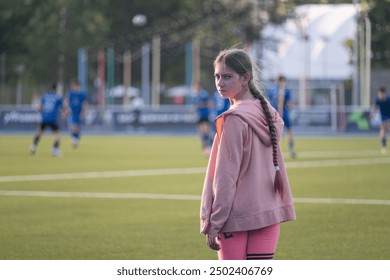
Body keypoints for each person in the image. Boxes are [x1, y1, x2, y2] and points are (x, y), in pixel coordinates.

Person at [200, 48, 296, 260]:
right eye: (217, 76)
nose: (220, 83)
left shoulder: (234, 118)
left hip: (236, 217)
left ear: (246, 78)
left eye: (227, 77)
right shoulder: (267, 112)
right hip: (268, 214)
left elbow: (226, 176)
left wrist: (214, 222)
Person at [30, 83, 66, 157]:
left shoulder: (45, 96)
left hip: (44, 118)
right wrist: (65, 113)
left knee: (39, 132)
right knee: (58, 135)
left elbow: (39, 107)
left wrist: (39, 114)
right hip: (52, 119)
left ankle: (33, 146)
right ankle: (54, 150)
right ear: (56, 89)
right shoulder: (58, 97)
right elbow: (64, 108)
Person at [267, 75, 296, 158]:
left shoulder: (273, 90)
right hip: (278, 112)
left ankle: (290, 149)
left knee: (288, 131)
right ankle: (275, 151)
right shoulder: (284, 90)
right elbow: (288, 103)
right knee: (275, 132)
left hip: (277, 112)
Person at [66, 79, 88, 148]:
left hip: (79, 112)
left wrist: (84, 111)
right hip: (72, 112)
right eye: (74, 86)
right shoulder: (70, 94)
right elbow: (67, 101)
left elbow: (84, 103)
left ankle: (76, 138)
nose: (75, 87)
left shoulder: (82, 94)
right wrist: (66, 109)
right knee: (73, 126)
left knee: (77, 127)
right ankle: (74, 139)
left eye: (76, 86)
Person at [194, 82, 213, 157]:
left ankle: (209, 144)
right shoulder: (196, 95)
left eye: (197, 86)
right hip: (199, 115)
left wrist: (201, 105)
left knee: (206, 130)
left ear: (200, 86)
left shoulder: (204, 94)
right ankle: (205, 144)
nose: (196, 88)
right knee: (201, 131)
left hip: (205, 115)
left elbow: (209, 103)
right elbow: (195, 105)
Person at [371, 86, 390, 154]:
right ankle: (383, 144)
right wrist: (372, 115)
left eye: (382, 94)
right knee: (383, 129)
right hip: (383, 117)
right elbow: (375, 108)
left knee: (386, 127)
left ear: (385, 93)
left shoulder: (389, 99)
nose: (381, 95)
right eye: (380, 94)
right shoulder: (377, 100)